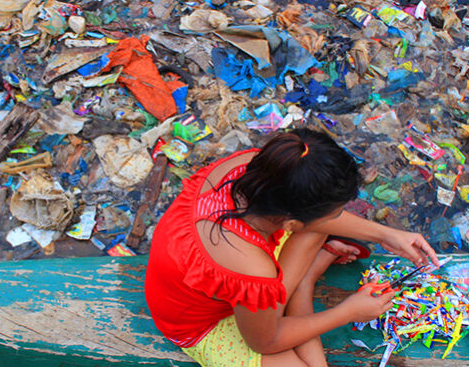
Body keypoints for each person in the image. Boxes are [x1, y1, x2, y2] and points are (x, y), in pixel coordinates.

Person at [144, 128, 439, 367]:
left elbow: (312, 220)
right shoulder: (252, 268)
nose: (338, 218)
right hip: (199, 323)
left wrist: (387, 235)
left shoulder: (256, 169)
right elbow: (263, 342)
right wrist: (348, 312)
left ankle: (297, 287)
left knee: (318, 231)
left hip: (227, 272)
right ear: (291, 224)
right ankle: (302, 286)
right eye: (335, 212)